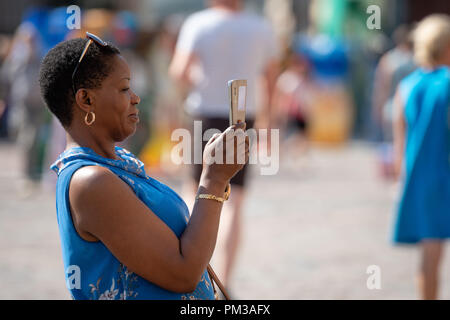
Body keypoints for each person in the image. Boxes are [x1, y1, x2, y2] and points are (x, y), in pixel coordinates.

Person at [39, 32, 249, 300]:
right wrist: (214, 181)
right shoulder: (91, 182)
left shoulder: (117, 163)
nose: (136, 98)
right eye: (124, 88)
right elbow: (183, 274)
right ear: (86, 100)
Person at [169, 0, 278, 290]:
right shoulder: (260, 26)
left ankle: (195, 275)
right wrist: (268, 122)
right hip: (244, 117)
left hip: (203, 114)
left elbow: (179, 72)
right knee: (235, 201)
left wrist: (200, 80)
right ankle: (226, 282)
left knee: (196, 194)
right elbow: (270, 79)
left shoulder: (198, 23)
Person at [392, 14, 450, 300]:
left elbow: (399, 141)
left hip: (417, 175)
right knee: (435, 250)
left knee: (430, 252)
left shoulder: (406, 85)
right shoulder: (448, 81)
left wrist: (401, 178)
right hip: (443, 174)